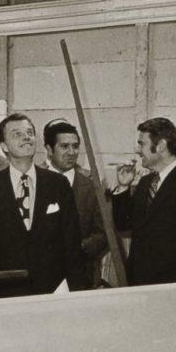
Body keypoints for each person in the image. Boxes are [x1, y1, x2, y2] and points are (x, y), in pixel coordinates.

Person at [0, 113, 87, 299]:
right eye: (17, 134)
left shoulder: (58, 184)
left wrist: (76, 293)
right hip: (4, 292)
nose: (26, 138)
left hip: (53, 290)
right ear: (4, 146)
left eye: (30, 133)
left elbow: (72, 243)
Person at [110, 116, 176, 284]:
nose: (138, 150)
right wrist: (123, 187)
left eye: (142, 144)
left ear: (161, 145)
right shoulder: (145, 183)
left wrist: (174, 291)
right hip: (139, 283)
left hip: (170, 287)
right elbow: (124, 224)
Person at [45, 119, 109, 287]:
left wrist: (79, 248)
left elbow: (104, 233)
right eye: (64, 146)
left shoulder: (92, 186)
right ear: (49, 149)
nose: (71, 152)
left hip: (81, 276)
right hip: (42, 276)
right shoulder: (35, 183)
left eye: (75, 146)